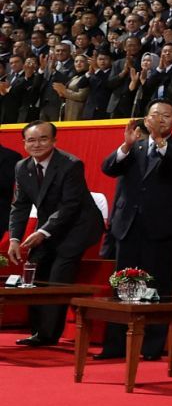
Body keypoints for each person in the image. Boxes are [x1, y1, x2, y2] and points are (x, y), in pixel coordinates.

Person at [97, 101, 172, 359]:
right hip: (127, 226)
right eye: (155, 115)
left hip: (161, 228)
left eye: (166, 116)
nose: (160, 119)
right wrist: (126, 145)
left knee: (157, 287)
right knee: (122, 286)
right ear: (146, 118)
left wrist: (161, 143)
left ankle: (151, 348)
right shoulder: (134, 147)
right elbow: (108, 168)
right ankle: (115, 347)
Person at [8, 122, 105, 347]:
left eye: (43, 139)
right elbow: (20, 205)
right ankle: (38, 331)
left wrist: (43, 232)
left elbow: (70, 205)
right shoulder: (22, 167)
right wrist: (15, 238)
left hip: (77, 226)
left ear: (54, 141)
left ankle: (48, 335)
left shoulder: (70, 164)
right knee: (34, 268)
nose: (37, 144)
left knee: (59, 274)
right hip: (49, 226)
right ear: (24, 143)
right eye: (31, 140)